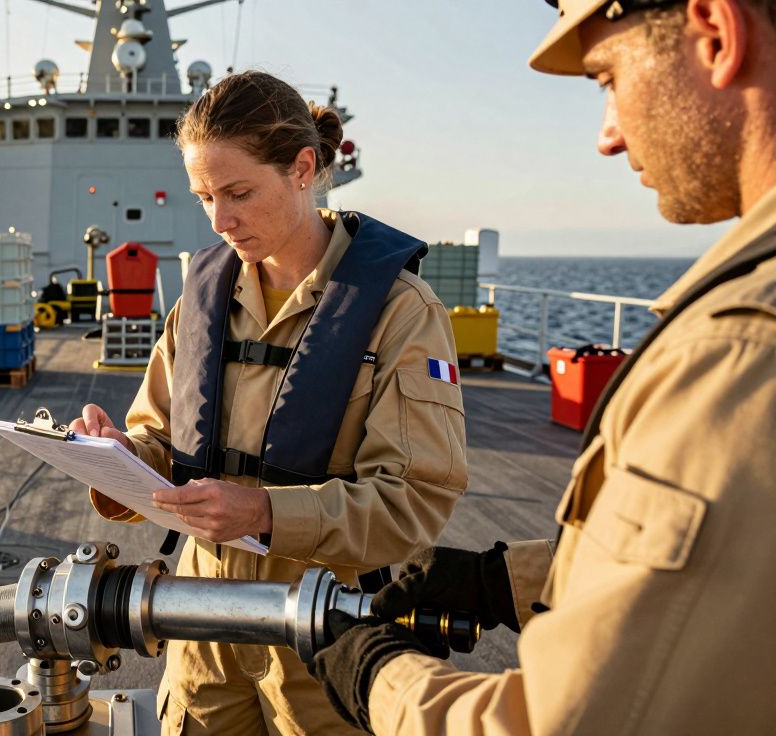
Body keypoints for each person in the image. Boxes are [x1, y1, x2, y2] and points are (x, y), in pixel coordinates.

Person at [307, 1, 776, 734]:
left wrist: (378, 677)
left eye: (606, 79)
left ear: (716, 35)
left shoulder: (737, 352)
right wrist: (509, 581)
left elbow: (574, 722)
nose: (608, 137)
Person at [70, 70, 469, 735]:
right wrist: (117, 459)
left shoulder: (403, 313)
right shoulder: (200, 303)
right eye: (204, 197)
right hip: (200, 626)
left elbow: (413, 502)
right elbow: (160, 441)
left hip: (326, 636)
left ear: (302, 168)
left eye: (239, 192)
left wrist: (264, 511)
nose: (221, 221)